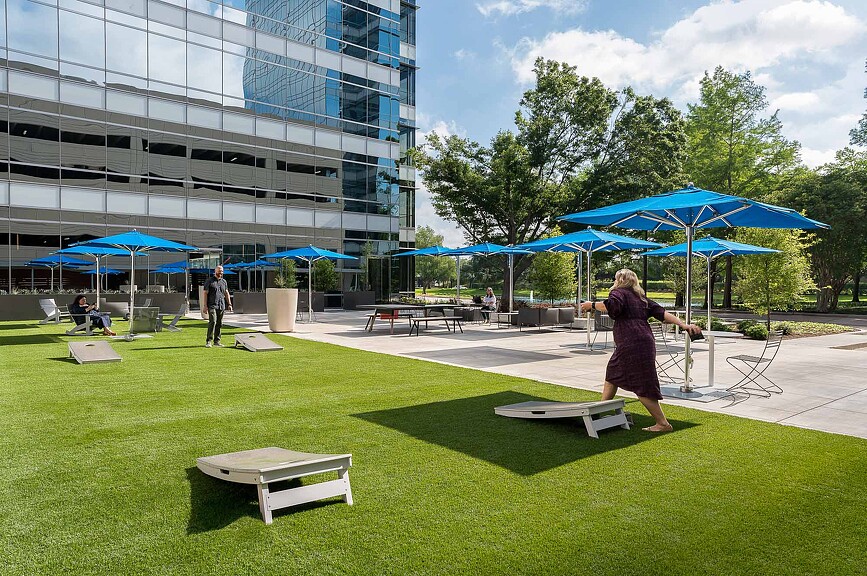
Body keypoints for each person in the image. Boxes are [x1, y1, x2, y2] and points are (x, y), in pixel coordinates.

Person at [579, 268, 701, 432]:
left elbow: (612, 306)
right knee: (613, 374)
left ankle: (663, 423)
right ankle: (599, 410)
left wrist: (591, 305)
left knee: (641, 382)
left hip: (631, 342)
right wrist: (683, 325)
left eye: (615, 279)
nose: (614, 282)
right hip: (643, 341)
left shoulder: (618, 293)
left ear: (620, 280)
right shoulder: (640, 298)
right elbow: (662, 313)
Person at [203, 265, 232, 348]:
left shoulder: (224, 282)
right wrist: (205, 306)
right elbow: (205, 293)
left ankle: (217, 341)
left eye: (222, 271)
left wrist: (229, 304)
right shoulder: (209, 281)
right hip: (212, 305)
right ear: (215, 271)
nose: (220, 273)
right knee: (213, 321)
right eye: (219, 271)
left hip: (221, 305)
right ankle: (208, 341)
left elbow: (226, 293)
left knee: (219, 323)